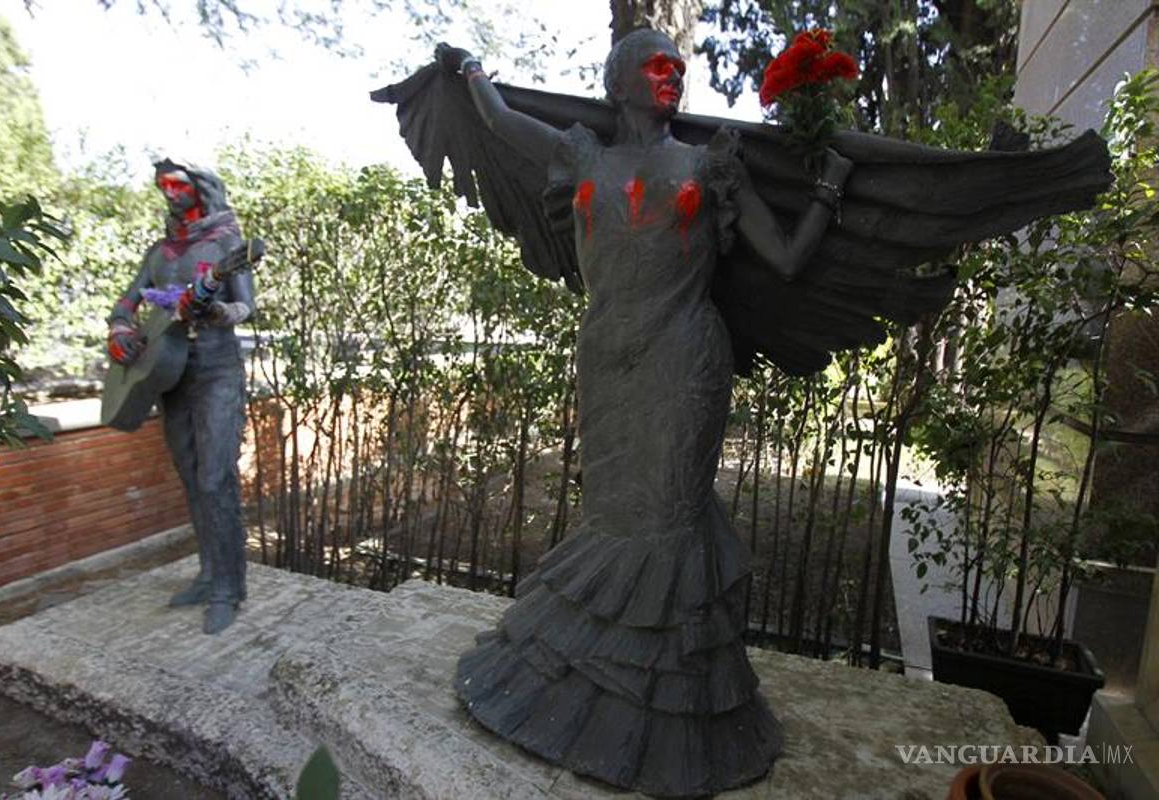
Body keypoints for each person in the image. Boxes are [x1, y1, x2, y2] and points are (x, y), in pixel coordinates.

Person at [379, 27, 1109, 796]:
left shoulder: (710, 163)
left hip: (684, 361)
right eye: (657, 67)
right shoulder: (579, 154)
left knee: (667, 522)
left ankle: (671, 723)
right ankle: (588, 690)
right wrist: (462, 66)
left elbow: (787, 258)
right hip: (607, 367)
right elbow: (494, 118)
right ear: (618, 79)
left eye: (679, 69)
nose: (672, 78)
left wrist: (827, 186)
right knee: (613, 519)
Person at [106, 159, 254, 635]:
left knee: (215, 479)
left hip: (217, 370)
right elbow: (127, 301)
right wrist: (121, 329)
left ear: (201, 188)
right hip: (169, 373)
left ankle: (230, 589)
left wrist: (214, 312)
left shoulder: (227, 242)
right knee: (191, 478)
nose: (168, 192)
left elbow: (245, 306)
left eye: (177, 184)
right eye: (162, 185)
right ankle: (208, 574)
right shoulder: (160, 252)